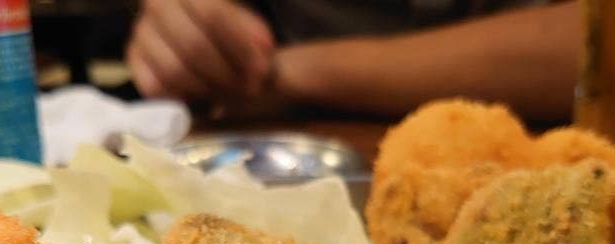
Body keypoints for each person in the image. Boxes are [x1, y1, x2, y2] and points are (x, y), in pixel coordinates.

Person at [126, 0, 579, 121]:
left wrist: (291, 72)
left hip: (549, 152)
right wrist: (180, 30)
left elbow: (593, 46)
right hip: (274, 153)